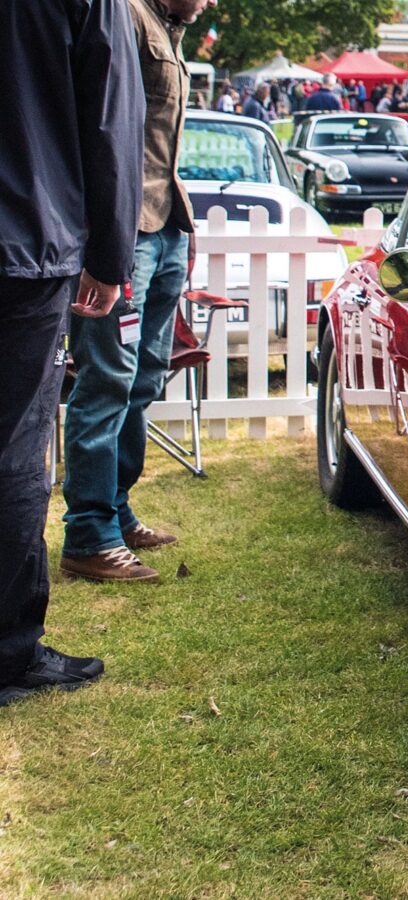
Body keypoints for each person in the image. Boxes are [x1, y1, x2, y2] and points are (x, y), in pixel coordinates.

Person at [0, 0, 143, 705]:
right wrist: (113, 256)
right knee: (18, 452)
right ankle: (8, 653)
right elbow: (111, 118)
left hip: (31, 235)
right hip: (25, 243)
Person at [60, 0, 215, 586]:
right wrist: (102, 239)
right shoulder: (121, 14)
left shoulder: (168, 30)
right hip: (123, 234)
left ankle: (116, 511)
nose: (211, 4)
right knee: (105, 380)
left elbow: (155, 146)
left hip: (165, 227)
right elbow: (98, 129)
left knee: (146, 375)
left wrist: (185, 225)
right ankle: (88, 533)